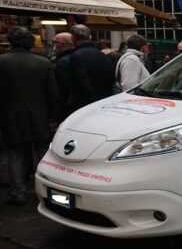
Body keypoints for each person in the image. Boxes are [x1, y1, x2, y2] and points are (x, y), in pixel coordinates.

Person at [0, 27, 61, 205]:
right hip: (39, 115)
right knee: (42, 153)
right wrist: (54, 117)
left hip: (10, 116)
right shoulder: (43, 63)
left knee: (15, 154)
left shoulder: (2, 62)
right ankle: (45, 189)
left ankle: (17, 192)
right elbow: (53, 94)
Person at [69, 24, 115, 114]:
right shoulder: (101, 54)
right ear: (90, 37)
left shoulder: (77, 56)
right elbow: (111, 77)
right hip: (105, 99)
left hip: (87, 104)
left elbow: (82, 81)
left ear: (73, 37)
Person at [52, 32, 76, 118]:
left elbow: (63, 86)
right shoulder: (76, 57)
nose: (53, 46)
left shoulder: (62, 62)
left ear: (61, 43)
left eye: (54, 42)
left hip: (68, 104)